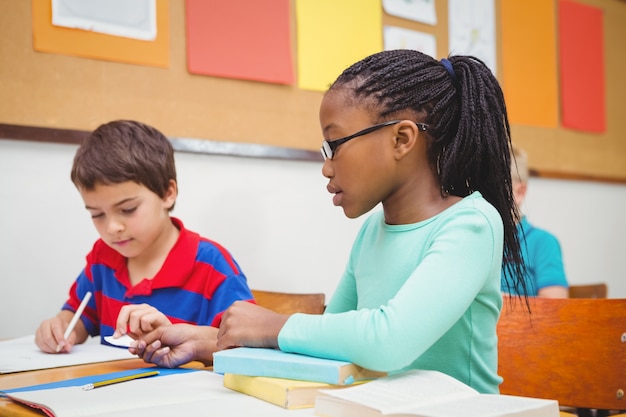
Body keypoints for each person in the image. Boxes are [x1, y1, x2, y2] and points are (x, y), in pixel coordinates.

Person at [130, 50, 528, 394]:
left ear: (402, 140)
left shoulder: (471, 224)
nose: (326, 167)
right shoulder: (374, 230)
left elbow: (388, 341)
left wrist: (273, 324)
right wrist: (212, 340)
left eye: (334, 145)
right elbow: (333, 337)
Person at [34, 120, 253, 354]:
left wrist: (181, 337)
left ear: (167, 193)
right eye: (97, 214)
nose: (112, 227)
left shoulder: (211, 264)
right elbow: (79, 314)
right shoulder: (103, 257)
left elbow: (244, 341)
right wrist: (62, 326)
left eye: (127, 209)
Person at [500, 145, 568, 298]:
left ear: (519, 192)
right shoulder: (474, 239)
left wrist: (493, 301)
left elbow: (555, 308)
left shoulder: (543, 243)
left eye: (494, 188)